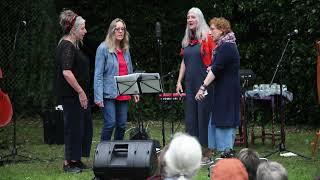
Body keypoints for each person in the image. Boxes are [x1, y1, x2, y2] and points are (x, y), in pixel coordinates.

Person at [53, 9, 92, 173]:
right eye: (82, 28)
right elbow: (66, 72)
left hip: (77, 95)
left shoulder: (71, 45)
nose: (85, 31)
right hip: (71, 95)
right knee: (73, 127)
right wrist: (80, 92)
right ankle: (68, 162)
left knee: (83, 126)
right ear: (74, 29)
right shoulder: (67, 46)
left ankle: (76, 160)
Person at [175, 7, 216, 161]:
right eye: (188, 17)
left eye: (193, 17)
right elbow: (184, 62)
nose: (190, 20)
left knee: (204, 117)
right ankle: (194, 151)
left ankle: (207, 152)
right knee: (191, 118)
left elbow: (216, 60)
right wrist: (179, 81)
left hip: (204, 83)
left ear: (199, 19)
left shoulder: (208, 38)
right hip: (190, 84)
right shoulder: (187, 41)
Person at [195, 17, 240, 153]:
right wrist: (213, 68)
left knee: (224, 123)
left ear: (222, 30)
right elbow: (219, 67)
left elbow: (216, 69)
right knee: (219, 122)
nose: (210, 32)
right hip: (223, 93)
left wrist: (202, 88)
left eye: (213, 29)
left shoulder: (226, 46)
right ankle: (223, 156)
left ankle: (226, 157)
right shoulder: (224, 46)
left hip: (227, 95)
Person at [94, 18, 139, 141]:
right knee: (110, 123)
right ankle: (103, 153)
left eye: (122, 29)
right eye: (117, 29)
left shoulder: (125, 49)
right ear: (112, 31)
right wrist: (98, 97)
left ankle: (116, 152)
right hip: (109, 93)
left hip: (124, 91)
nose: (120, 31)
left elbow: (129, 72)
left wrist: (135, 91)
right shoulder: (103, 48)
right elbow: (98, 75)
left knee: (122, 125)